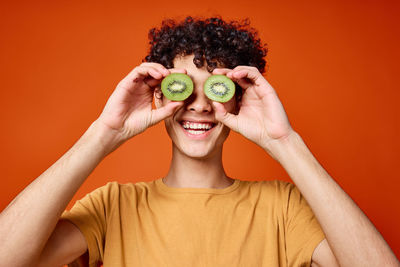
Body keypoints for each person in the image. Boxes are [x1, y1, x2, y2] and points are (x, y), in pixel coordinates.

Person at [0, 16, 398, 267]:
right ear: (160, 96)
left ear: (238, 100)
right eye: (184, 88)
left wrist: (285, 141)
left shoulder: (283, 208)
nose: (201, 106)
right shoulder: (113, 207)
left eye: (218, 89)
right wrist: (103, 134)